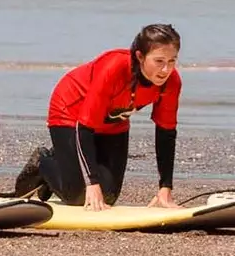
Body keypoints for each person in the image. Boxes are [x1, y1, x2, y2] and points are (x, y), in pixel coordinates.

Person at [16, 25, 183, 211]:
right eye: (159, 61)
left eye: (172, 60)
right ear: (140, 56)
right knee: (78, 195)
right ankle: (43, 163)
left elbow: (166, 133)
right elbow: (84, 126)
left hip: (112, 122)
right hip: (71, 113)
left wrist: (165, 188)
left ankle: (67, 164)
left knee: (108, 197)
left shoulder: (171, 82)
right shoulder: (114, 69)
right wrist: (92, 184)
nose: (165, 69)